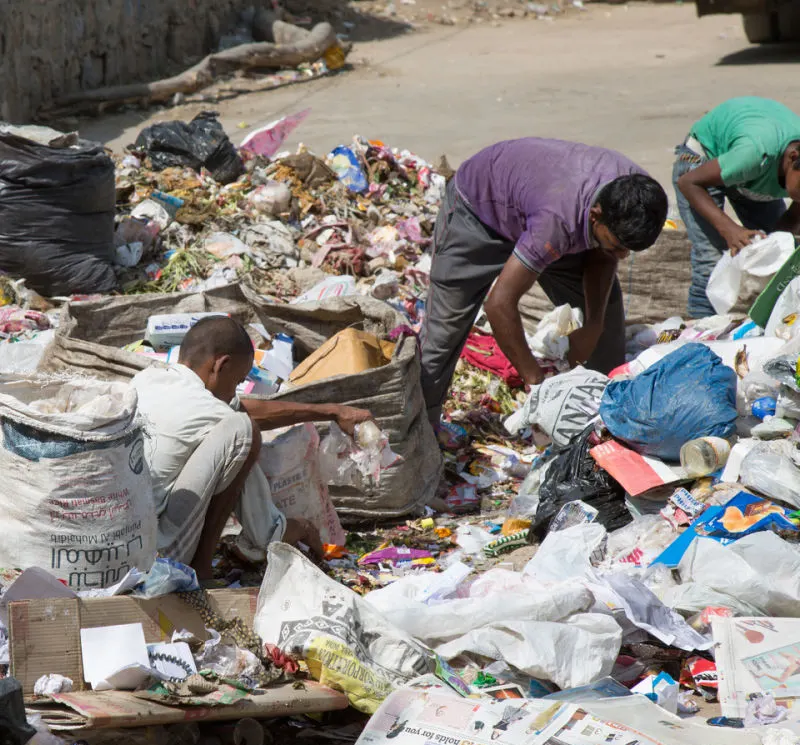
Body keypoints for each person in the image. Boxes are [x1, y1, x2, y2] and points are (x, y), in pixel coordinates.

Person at [419, 138, 668, 425]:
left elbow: (603, 257)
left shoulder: (638, 197)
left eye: (628, 249)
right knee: (443, 334)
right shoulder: (558, 222)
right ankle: (419, 432)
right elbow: (499, 305)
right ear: (595, 216)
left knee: (606, 323)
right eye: (616, 246)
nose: (623, 256)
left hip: (545, 210)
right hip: (478, 212)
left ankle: (602, 417)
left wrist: (594, 325)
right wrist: (537, 383)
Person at [131, 316, 372, 579]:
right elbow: (244, 422)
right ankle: (200, 571)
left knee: (240, 425)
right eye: (237, 381)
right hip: (157, 557)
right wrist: (298, 528)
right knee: (245, 433)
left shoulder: (147, 380)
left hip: (124, 543)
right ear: (221, 365)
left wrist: (331, 412)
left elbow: (246, 408)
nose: (235, 391)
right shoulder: (214, 412)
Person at [673, 96, 800, 318]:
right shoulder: (755, 154)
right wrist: (729, 229)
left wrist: (776, 243)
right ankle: (700, 330)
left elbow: (788, 228)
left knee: (780, 256)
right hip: (702, 164)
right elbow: (688, 183)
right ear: (793, 158)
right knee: (711, 261)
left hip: (750, 172)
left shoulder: (786, 168)